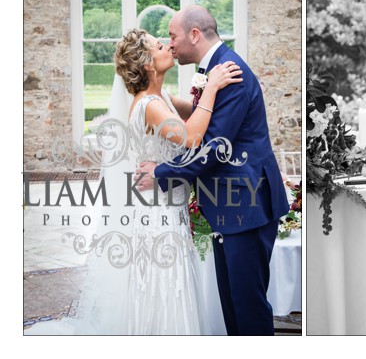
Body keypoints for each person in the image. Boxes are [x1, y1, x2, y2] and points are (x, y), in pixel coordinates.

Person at [28, 27, 244, 334]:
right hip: (158, 213)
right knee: (165, 282)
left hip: (169, 205)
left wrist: (210, 87)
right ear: (146, 64)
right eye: (159, 46)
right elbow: (192, 135)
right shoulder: (149, 106)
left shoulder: (162, 98)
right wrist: (211, 88)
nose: (169, 46)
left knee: (171, 282)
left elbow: (197, 113)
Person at [145, 6, 288, 335]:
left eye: (173, 36)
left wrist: (161, 173)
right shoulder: (216, 71)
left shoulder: (230, 74)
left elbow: (214, 147)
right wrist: (162, 98)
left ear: (194, 35)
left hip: (245, 205)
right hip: (231, 206)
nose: (172, 44)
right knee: (233, 305)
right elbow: (204, 120)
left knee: (247, 307)